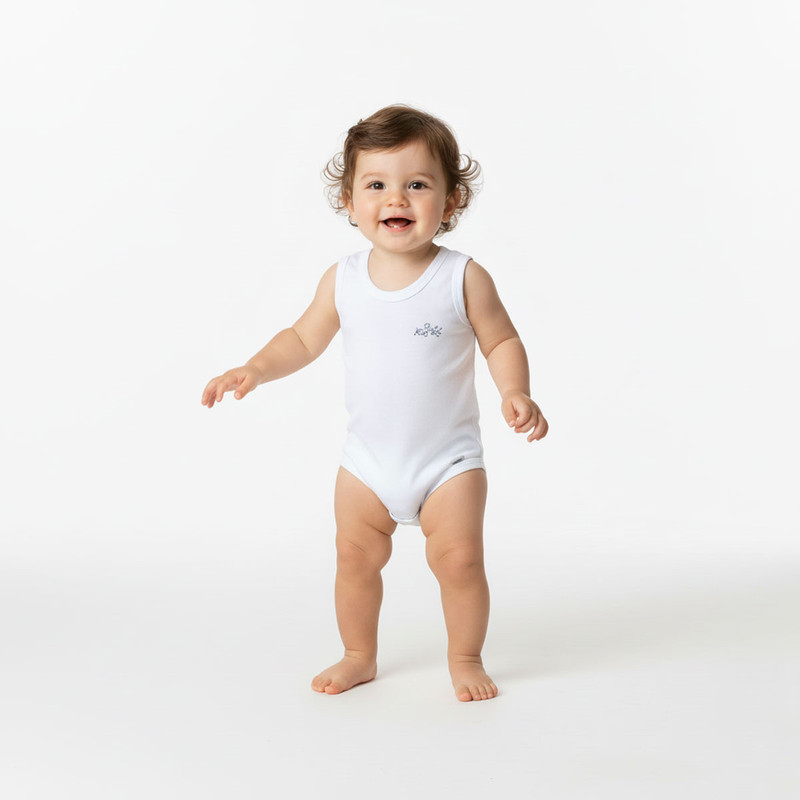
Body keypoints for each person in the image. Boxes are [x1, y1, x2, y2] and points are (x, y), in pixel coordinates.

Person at [201, 105, 548, 702]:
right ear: (350, 199)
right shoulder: (343, 279)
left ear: (452, 200)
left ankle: (465, 658)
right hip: (366, 463)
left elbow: (501, 340)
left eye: (418, 185)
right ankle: (358, 654)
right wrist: (255, 368)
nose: (397, 198)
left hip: (448, 464)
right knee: (353, 559)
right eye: (377, 185)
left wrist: (515, 390)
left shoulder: (463, 277)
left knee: (460, 562)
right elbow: (302, 338)